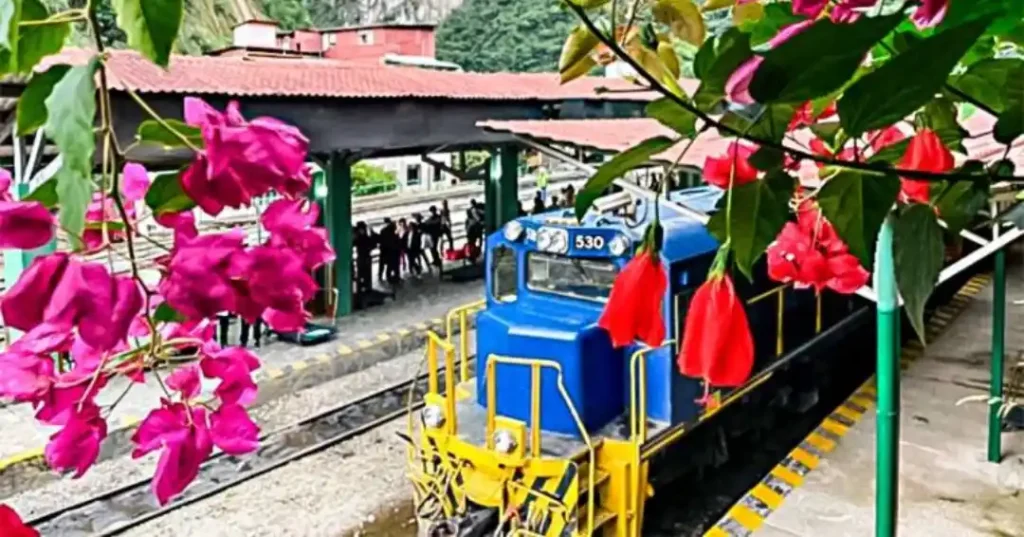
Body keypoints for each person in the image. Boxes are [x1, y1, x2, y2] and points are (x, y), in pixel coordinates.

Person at [353, 221, 376, 293]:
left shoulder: (359, 238)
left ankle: (363, 290)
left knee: (363, 275)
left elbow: (353, 244)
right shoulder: (365, 237)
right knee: (366, 276)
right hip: (365, 258)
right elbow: (373, 245)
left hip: (362, 258)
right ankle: (366, 289)